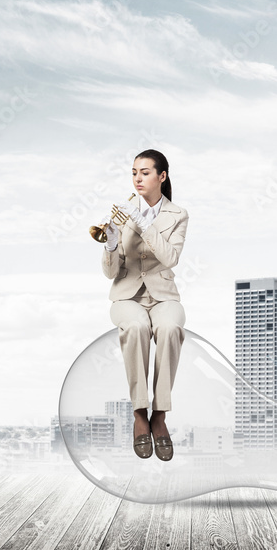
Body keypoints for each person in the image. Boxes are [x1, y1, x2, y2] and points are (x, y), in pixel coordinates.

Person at [100, 149, 188, 461]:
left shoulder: (178, 215)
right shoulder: (121, 214)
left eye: (145, 172)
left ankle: (160, 415)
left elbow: (171, 257)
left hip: (164, 295)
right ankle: (140, 413)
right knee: (136, 326)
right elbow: (111, 272)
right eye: (134, 172)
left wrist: (141, 222)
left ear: (162, 176)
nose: (138, 178)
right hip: (127, 296)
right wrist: (111, 243)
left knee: (170, 327)